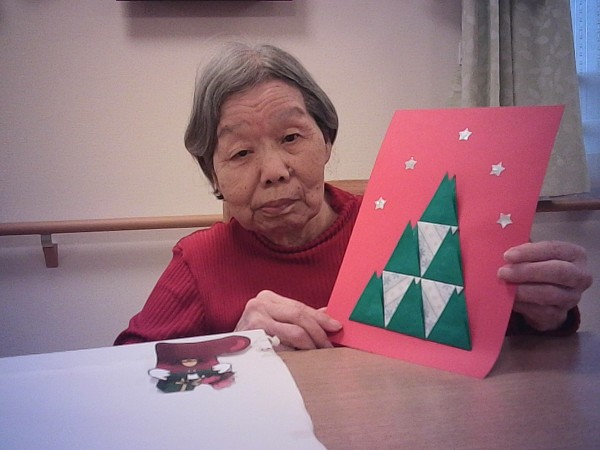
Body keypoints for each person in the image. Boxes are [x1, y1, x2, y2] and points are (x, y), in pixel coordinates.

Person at [114, 43, 593, 350]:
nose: (275, 171)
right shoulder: (200, 260)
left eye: (291, 137)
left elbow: (499, 338)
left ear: (326, 142)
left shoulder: (408, 228)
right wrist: (235, 345)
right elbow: (126, 369)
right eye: (240, 152)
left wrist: (546, 311)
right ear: (213, 174)